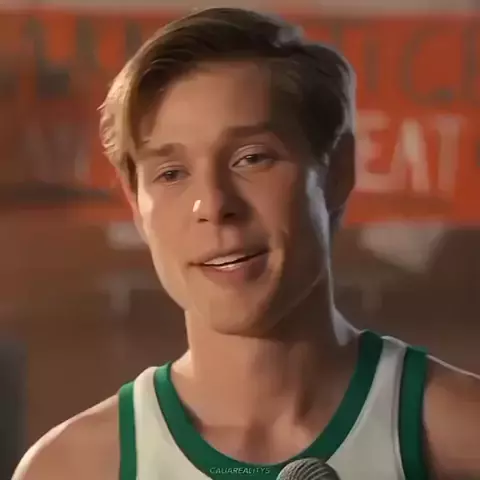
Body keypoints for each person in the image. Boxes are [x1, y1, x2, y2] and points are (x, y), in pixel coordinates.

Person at [13, 7, 480, 480]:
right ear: (136, 203)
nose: (213, 205)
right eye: (171, 173)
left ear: (337, 170)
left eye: (252, 158)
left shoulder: (461, 436)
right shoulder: (71, 468)